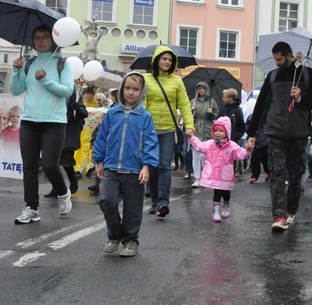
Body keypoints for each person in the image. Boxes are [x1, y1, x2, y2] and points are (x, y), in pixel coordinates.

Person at [246, 41, 312, 231]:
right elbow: (262, 106)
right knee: (277, 174)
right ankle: (279, 216)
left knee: (296, 175)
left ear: (289, 56)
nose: (277, 63)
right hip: (275, 131)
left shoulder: (307, 74)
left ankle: (291, 211)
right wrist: (253, 133)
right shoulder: (272, 77)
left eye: (279, 59)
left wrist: (301, 96)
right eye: (275, 59)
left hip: (299, 133)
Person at [10, 24, 75, 224]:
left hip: (54, 122)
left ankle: (64, 193)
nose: (39, 40)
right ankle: (31, 208)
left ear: (54, 39)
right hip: (29, 121)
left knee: (49, 165)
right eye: (36, 37)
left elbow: (67, 91)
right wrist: (16, 70)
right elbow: (16, 90)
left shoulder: (63, 64)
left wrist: (46, 80)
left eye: (44, 37)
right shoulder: (29, 64)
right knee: (29, 167)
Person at [93, 72, 159, 257]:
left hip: (134, 170)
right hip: (112, 167)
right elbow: (101, 137)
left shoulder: (145, 116)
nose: (131, 93)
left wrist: (146, 165)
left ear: (142, 92)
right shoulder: (113, 113)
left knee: (132, 207)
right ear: (122, 90)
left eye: (136, 89)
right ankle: (115, 235)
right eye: (128, 88)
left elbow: (150, 142)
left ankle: (130, 240)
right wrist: (99, 160)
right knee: (107, 200)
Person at [144, 45, 195, 217]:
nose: (167, 62)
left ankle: (163, 203)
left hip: (167, 129)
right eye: (164, 58)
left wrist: (189, 126)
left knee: (165, 165)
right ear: (156, 60)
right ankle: (155, 201)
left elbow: (185, 105)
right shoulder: (146, 79)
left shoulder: (177, 81)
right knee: (152, 167)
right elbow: (142, 104)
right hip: (149, 130)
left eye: (170, 60)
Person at [188, 116, 250, 222]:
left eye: (221, 130)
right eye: (216, 130)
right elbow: (200, 146)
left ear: (227, 132)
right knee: (217, 192)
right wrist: (192, 137)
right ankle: (216, 211)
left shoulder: (232, 146)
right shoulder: (210, 144)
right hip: (214, 174)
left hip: (225, 175)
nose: (217, 133)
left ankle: (226, 204)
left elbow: (241, 154)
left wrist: (248, 150)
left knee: (226, 193)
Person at [45, 85, 88, 198]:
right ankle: (56, 187)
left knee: (65, 160)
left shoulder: (74, 93)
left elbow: (84, 113)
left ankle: (73, 180)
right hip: (54, 128)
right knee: (53, 161)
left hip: (68, 131)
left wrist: (77, 108)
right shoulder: (53, 90)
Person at [190, 81, 218, 188]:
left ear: (206, 90)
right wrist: (191, 110)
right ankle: (197, 178)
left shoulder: (212, 102)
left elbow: (216, 115)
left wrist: (211, 113)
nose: (201, 90)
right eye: (199, 88)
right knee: (195, 156)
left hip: (207, 131)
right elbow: (188, 116)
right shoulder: (193, 101)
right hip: (196, 131)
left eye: (203, 88)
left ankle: (205, 176)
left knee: (204, 156)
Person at [218, 88, 246, 177]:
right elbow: (218, 121)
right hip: (221, 139)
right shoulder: (223, 108)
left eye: (225, 97)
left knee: (230, 158)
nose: (223, 99)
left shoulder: (237, 110)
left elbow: (242, 126)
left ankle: (230, 176)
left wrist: (235, 136)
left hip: (232, 140)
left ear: (231, 98)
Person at [73, 85, 98, 177]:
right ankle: (90, 166)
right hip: (79, 128)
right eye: (87, 93)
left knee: (84, 147)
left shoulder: (96, 104)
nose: (89, 96)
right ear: (83, 94)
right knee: (80, 148)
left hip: (89, 130)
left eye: (91, 94)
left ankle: (79, 169)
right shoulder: (79, 102)